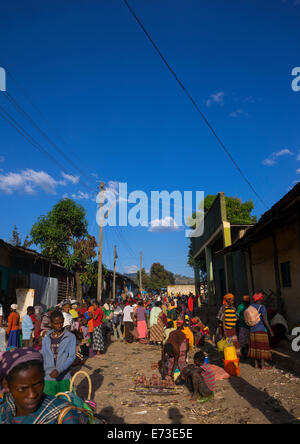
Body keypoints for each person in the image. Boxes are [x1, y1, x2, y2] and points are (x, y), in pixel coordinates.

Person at [0, 348, 89, 424]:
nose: (32, 394)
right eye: (22, 389)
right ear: (6, 385)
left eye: (38, 384)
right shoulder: (5, 408)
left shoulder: (65, 416)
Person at [41, 310, 76, 396]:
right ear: (51, 323)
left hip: (64, 377)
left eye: (61, 322)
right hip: (48, 378)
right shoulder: (46, 338)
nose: (59, 325)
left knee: (66, 404)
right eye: (56, 323)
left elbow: (71, 357)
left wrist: (59, 370)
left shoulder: (70, 337)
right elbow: (43, 355)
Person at [248, 292, 274, 370]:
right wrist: (270, 330)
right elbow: (265, 320)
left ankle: (256, 364)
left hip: (252, 330)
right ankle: (263, 365)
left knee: (255, 347)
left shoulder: (250, 306)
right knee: (262, 348)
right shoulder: (262, 307)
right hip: (261, 329)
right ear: (260, 299)